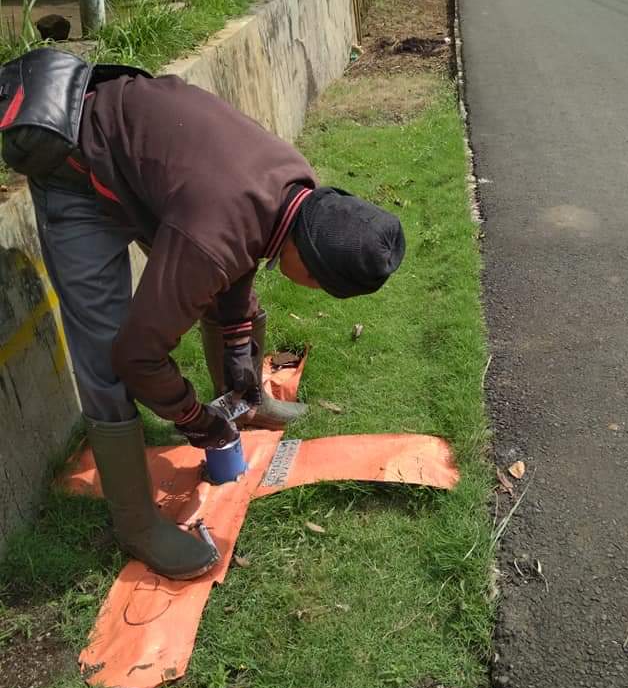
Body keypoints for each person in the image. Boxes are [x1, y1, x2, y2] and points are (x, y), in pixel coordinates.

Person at [0, 49, 405, 580]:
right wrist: (196, 420)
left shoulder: (295, 188)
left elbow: (242, 253)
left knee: (230, 298)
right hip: (79, 170)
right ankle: (136, 523)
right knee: (105, 355)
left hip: (147, 165)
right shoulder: (214, 236)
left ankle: (243, 403)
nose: (314, 292)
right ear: (309, 260)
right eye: (321, 286)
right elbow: (138, 354)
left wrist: (240, 361)